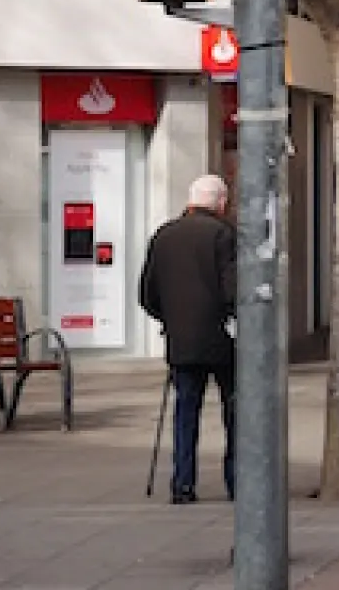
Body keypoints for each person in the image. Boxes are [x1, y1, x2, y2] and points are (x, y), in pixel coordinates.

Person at [138, 174, 236, 505]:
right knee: (234, 412)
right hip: (224, 339)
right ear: (220, 201)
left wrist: (171, 319)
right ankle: (235, 481)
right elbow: (232, 289)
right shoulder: (225, 235)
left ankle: (182, 484)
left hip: (182, 341)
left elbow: (147, 293)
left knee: (185, 413)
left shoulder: (164, 236)